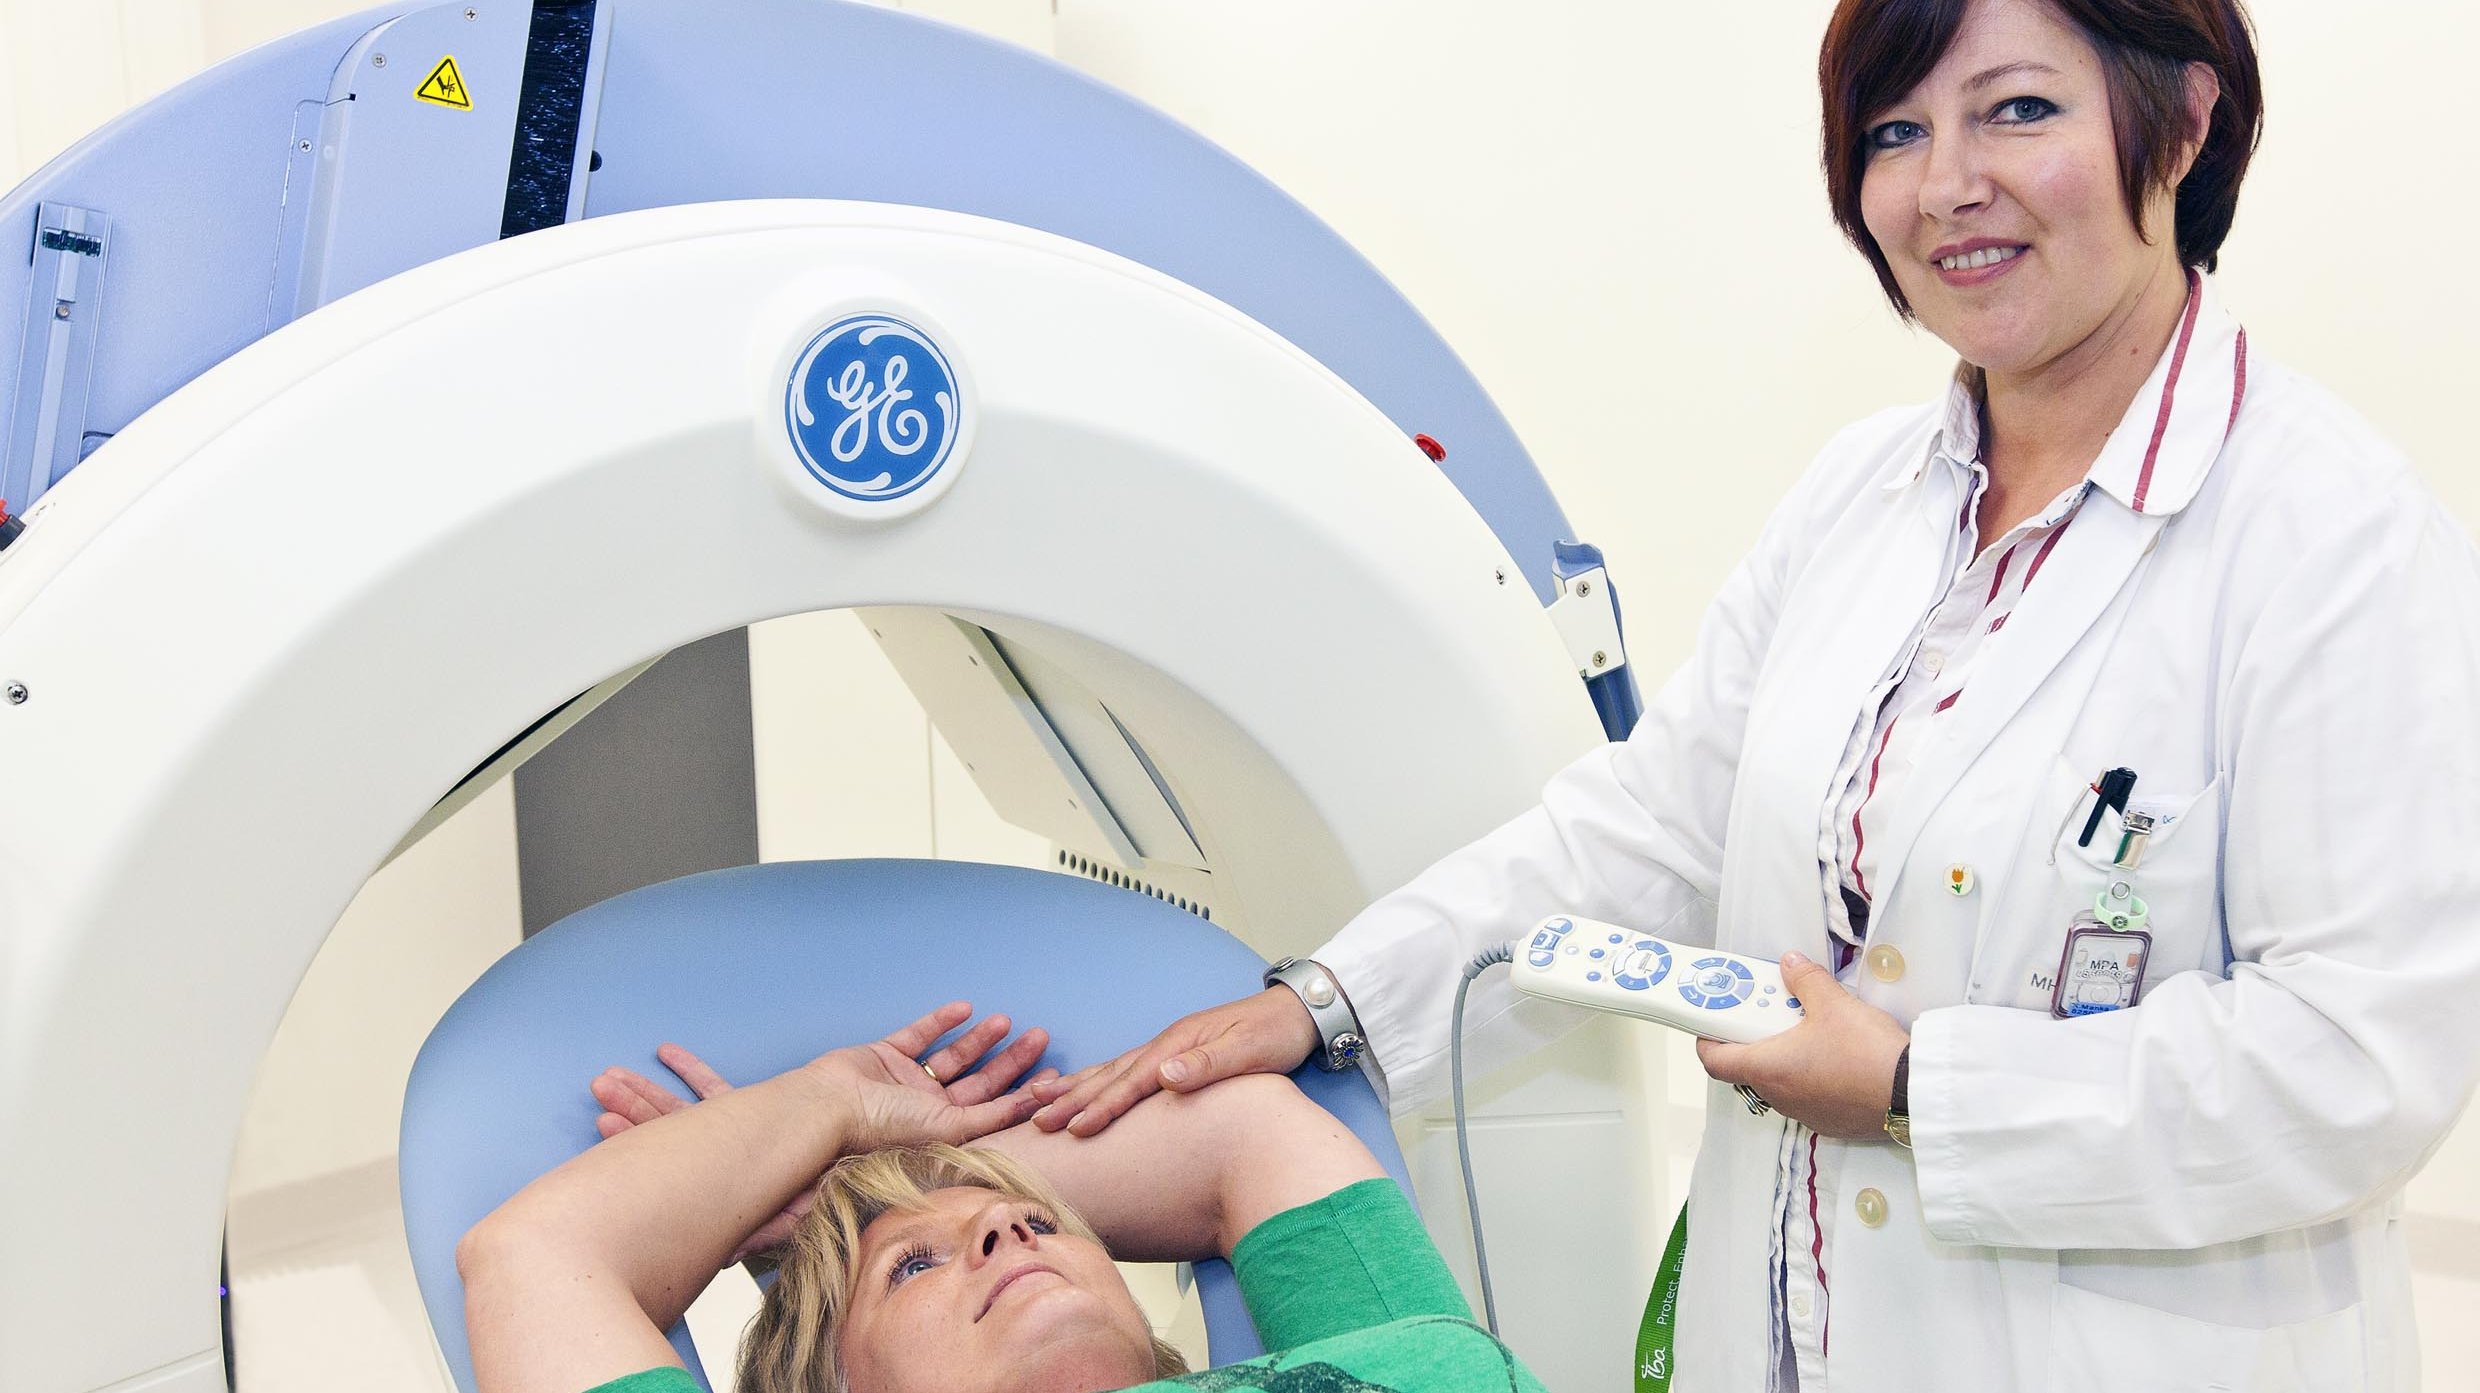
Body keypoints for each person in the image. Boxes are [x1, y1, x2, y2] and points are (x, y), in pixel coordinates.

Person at [1023, 1, 2480, 1388]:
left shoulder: (2329, 538)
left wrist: (1921, 1090)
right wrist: (1331, 999)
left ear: (2182, 125)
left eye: (2017, 112)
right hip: (1789, 1329)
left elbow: (2359, 1055)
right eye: (1895, 135)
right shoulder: (1861, 497)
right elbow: (1654, 829)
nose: (1946, 187)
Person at [455, 1002, 1549, 1393]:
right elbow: (530, 1255)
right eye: (912, 1269)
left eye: (1037, 1223)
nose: (1008, 1224)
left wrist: (856, 1181)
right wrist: (828, 1106)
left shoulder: (1348, 1355)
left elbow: (1240, 1125)